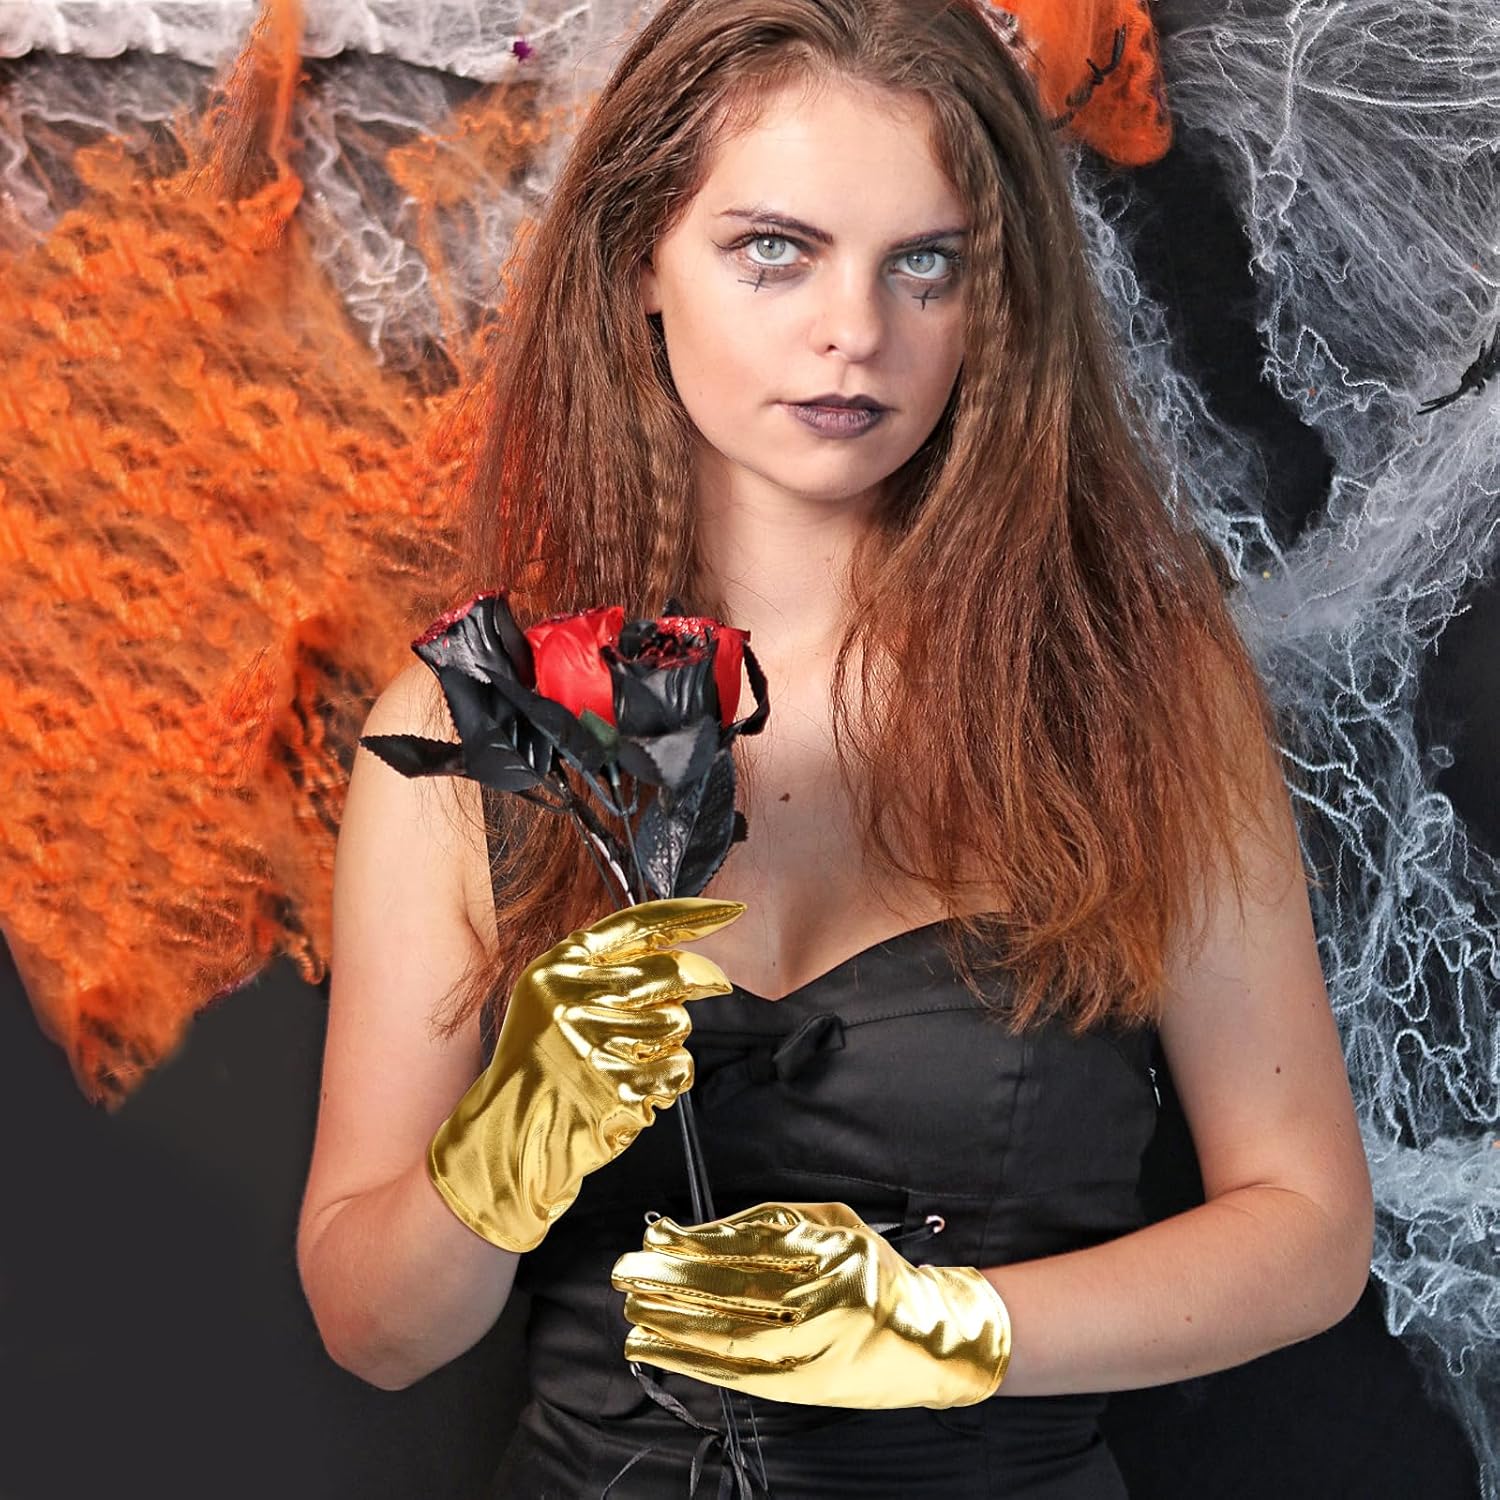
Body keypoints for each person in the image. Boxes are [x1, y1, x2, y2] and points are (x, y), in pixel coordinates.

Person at [295, 1, 1375, 1494]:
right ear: (639, 261)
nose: (854, 331)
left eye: (925, 263)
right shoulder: (472, 727)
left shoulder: (1138, 687)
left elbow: (1308, 1228)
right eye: (774, 250)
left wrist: (948, 1329)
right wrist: (497, 1155)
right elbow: (374, 1333)